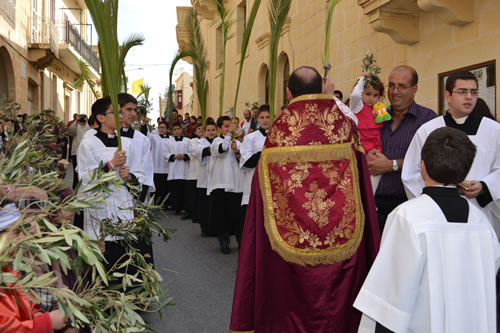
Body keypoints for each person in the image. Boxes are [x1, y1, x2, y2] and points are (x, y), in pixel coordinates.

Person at [230, 66, 380, 332]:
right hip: (341, 243)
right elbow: (362, 182)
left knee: (292, 301)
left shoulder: (278, 130)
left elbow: (262, 193)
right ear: (323, 88)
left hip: (288, 248)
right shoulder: (342, 126)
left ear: (289, 92)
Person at [355, 127, 500, 333]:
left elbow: (390, 294)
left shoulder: (407, 217)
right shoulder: (482, 224)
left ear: (422, 167)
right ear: (465, 171)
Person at [402, 71, 500, 236]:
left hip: (480, 216)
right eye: (462, 92)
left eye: (473, 92)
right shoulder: (428, 130)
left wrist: (484, 187)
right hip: (436, 216)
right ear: (448, 95)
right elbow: (411, 173)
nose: (469, 97)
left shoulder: (493, 130)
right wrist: (437, 196)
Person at [367, 65, 436, 232]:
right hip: (373, 206)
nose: (395, 91)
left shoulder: (427, 120)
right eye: (391, 85)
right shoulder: (377, 116)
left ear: (414, 89)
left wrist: (392, 165)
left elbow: (433, 160)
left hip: (408, 205)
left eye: (402, 86)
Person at [77, 97, 138, 273]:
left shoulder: (126, 143)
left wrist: (129, 177)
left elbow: (135, 178)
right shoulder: (88, 143)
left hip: (122, 206)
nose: (121, 116)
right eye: (116, 112)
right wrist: (111, 164)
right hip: (100, 209)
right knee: (103, 263)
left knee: (124, 261)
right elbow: (85, 180)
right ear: (101, 118)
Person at [349, 74, 390, 193]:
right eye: (368, 94)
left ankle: (370, 200)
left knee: (376, 173)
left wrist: (380, 99)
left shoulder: (377, 109)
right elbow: (355, 95)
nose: (372, 98)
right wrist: (362, 79)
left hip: (375, 147)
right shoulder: (357, 106)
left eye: (375, 95)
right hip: (360, 148)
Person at [207, 116, 241, 254]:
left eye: (230, 126)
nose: (229, 129)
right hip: (220, 183)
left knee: (236, 216)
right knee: (221, 216)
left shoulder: (235, 142)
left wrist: (237, 151)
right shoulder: (216, 141)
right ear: (220, 128)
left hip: (235, 184)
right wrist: (228, 136)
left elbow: (242, 159)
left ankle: (241, 242)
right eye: (226, 127)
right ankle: (224, 242)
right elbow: (221, 150)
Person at [238, 105, 270, 247]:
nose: (265, 120)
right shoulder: (250, 138)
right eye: (262, 117)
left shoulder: (278, 136)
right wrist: (263, 153)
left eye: (268, 117)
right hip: (254, 182)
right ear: (257, 119)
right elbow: (247, 161)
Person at [118, 93, 154, 203]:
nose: (133, 114)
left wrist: (139, 200)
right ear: (118, 110)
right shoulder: (107, 136)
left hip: (134, 196)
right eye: (129, 109)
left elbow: (147, 171)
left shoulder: (142, 140)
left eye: (135, 110)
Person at [195, 121, 218, 237]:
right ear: (205, 132)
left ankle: (214, 227)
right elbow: (198, 152)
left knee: (214, 205)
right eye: (208, 130)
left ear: (217, 130)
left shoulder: (220, 141)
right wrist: (212, 149)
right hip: (204, 177)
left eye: (213, 130)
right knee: (204, 204)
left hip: (216, 177)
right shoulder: (200, 142)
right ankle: (204, 227)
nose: (211, 132)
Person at [165, 123, 190, 215]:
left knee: (185, 190)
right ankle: (177, 208)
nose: (176, 131)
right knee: (175, 190)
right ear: (172, 131)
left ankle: (185, 207)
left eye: (178, 129)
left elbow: (192, 152)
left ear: (181, 130)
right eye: (174, 129)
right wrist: (174, 156)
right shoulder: (168, 142)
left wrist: (184, 156)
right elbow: (165, 153)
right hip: (174, 169)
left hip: (184, 168)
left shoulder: (188, 141)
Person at [150, 121, 171, 209]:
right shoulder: (154, 137)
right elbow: (146, 135)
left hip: (167, 166)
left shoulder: (172, 139)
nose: (161, 129)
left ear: (167, 129)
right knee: (157, 185)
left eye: (163, 128)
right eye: (160, 127)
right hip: (156, 165)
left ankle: (166, 204)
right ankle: (156, 203)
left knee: (166, 186)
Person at [185, 123, 204, 221]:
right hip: (194, 172)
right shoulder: (193, 141)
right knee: (193, 195)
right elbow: (195, 152)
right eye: (199, 129)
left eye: (202, 128)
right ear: (195, 131)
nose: (201, 130)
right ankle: (191, 213)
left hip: (205, 174)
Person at [68, 114, 90, 189]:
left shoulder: (88, 127)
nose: (82, 120)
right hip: (76, 153)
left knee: (86, 171)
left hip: (87, 153)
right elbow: (71, 129)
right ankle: (75, 189)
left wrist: (88, 120)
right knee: (76, 173)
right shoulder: (76, 127)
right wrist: (76, 120)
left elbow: (92, 129)